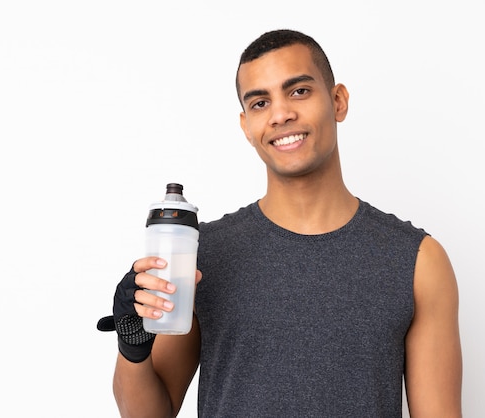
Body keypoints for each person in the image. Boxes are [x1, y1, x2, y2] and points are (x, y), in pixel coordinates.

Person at [99, 29, 462, 417]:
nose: (280, 114)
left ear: (337, 101)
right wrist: (132, 341)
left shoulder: (417, 261)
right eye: (259, 102)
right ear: (246, 126)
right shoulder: (203, 254)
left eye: (299, 91)